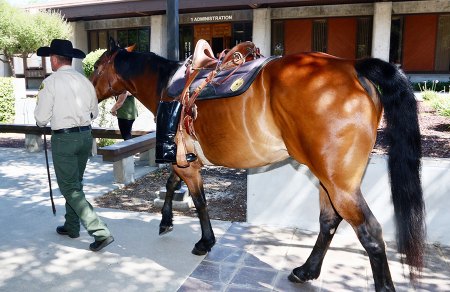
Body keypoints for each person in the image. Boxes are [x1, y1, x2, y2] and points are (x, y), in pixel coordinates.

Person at [34, 39, 114, 252]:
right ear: (70, 58)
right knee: (75, 185)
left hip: (64, 139)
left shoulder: (51, 82)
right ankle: (71, 225)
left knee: (69, 187)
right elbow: (94, 112)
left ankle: (100, 232)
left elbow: (41, 119)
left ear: (53, 59)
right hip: (85, 136)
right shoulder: (84, 81)